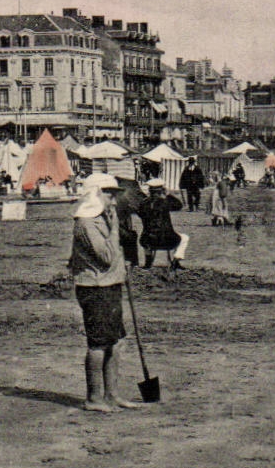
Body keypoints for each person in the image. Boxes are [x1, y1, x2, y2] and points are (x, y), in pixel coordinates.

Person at [69, 173, 139, 413]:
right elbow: (106, 256)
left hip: (110, 284)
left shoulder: (103, 219)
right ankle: (94, 398)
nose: (113, 201)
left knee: (115, 342)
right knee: (98, 343)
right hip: (95, 288)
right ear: (96, 195)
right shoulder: (87, 223)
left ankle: (112, 394)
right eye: (109, 195)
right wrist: (115, 228)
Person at [136, 178, 189, 270]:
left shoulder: (143, 203)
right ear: (161, 190)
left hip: (147, 240)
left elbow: (139, 213)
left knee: (146, 236)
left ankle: (148, 263)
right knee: (184, 237)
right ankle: (176, 260)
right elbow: (178, 205)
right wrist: (167, 194)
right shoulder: (165, 202)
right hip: (167, 240)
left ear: (149, 190)